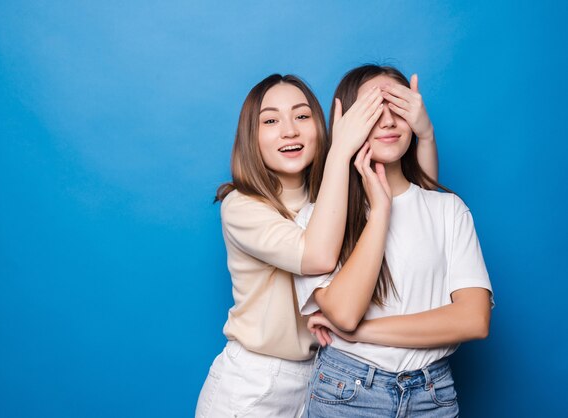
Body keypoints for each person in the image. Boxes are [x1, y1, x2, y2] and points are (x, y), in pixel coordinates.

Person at [196, 72, 438, 417]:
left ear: (320, 126)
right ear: (251, 136)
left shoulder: (331, 192)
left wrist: (424, 134)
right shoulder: (242, 205)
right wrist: (341, 150)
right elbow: (318, 256)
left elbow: (420, 207)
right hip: (256, 383)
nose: (290, 130)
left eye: (302, 115)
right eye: (270, 120)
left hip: (324, 377)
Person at [294, 65, 493, 418]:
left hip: (433, 395)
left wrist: (362, 333)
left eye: (398, 109)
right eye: (373, 110)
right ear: (346, 124)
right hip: (346, 391)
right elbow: (344, 312)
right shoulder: (315, 220)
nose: (388, 122)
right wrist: (381, 211)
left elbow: (473, 318)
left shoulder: (448, 209)